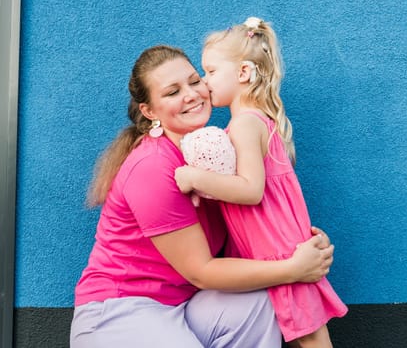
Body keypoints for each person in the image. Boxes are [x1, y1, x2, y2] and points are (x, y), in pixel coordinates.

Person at [70, 45, 336, 348]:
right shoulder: (152, 167)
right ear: (149, 111)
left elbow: (257, 219)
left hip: (183, 305)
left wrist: (302, 248)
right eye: (172, 92)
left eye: (195, 81)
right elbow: (202, 272)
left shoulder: (212, 152)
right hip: (121, 311)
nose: (192, 95)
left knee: (261, 304)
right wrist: (293, 269)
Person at [174, 17, 348, 348]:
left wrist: (195, 177)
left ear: (242, 73)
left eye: (211, 71)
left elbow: (251, 191)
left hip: (277, 250)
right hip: (275, 249)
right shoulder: (255, 122)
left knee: (312, 341)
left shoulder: (244, 125)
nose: (204, 82)